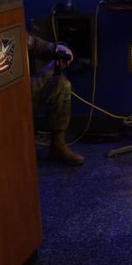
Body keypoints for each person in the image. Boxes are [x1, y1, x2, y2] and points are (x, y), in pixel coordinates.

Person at [27, 33, 85, 166]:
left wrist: (59, 48)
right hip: (9, 98)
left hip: (26, 97)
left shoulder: (12, 32)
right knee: (52, 75)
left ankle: (58, 146)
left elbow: (37, 45)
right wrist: (52, 68)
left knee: (62, 85)